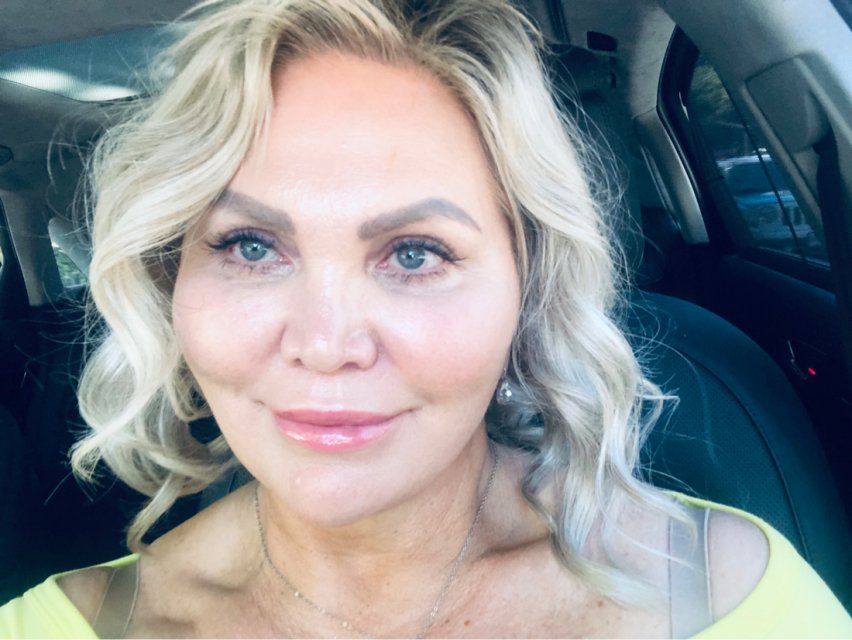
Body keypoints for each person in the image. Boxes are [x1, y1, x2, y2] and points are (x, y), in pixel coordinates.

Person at [1, 0, 850, 637]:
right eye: (251, 247)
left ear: (526, 292)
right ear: (170, 287)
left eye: (414, 254)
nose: (325, 345)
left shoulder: (727, 598)